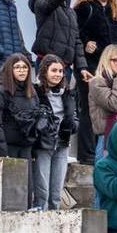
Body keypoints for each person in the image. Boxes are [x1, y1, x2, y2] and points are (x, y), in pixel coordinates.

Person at [76, 0, 117, 162]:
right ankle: (87, 154)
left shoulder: (115, 10)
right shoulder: (84, 8)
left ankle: (109, 150)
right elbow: (74, 34)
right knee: (89, 109)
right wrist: (85, 43)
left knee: (113, 109)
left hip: (114, 69)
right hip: (92, 66)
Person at [28, 0, 88, 88]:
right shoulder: (40, 1)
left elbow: (76, 40)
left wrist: (82, 67)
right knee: (46, 102)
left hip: (65, 67)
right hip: (47, 63)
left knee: (64, 103)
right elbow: (48, 4)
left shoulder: (70, 12)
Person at [33, 55, 77, 211]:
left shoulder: (68, 93)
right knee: (42, 189)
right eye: (54, 70)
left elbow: (74, 115)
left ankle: (55, 217)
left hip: (62, 144)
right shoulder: (35, 92)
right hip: (43, 145)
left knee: (57, 190)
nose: (58, 74)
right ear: (44, 71)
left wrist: (73, 125)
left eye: (60, 71)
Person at [0, 54, 41, 194]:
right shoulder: (1, 92)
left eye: (25, 67)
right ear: (10, 70)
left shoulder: (32, 92)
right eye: (17, 67)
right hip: (9, 147)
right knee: (11, 189)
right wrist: (2, 150)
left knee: (26, 188)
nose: (22, 70)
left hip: (27, 146)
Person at [88, 45, 117, 160]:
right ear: (106, 60)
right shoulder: (97, 82)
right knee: (104, 176)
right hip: (106, 138)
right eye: (116, 60)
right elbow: (114, 105)